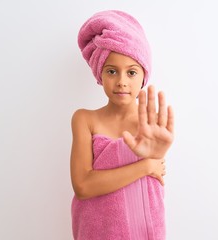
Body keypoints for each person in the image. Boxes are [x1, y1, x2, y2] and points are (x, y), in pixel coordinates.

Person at [70, 10, 174, 240]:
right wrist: (146, 166)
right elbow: (84, 186)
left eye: (132, 72)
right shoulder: (85, 119)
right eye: (111, 71)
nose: (122, 82)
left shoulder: (150, 124)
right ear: (100, 74)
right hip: (98, 232)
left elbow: (155, 180)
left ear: (144, 75)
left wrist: (158, 156)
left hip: (144, 231)